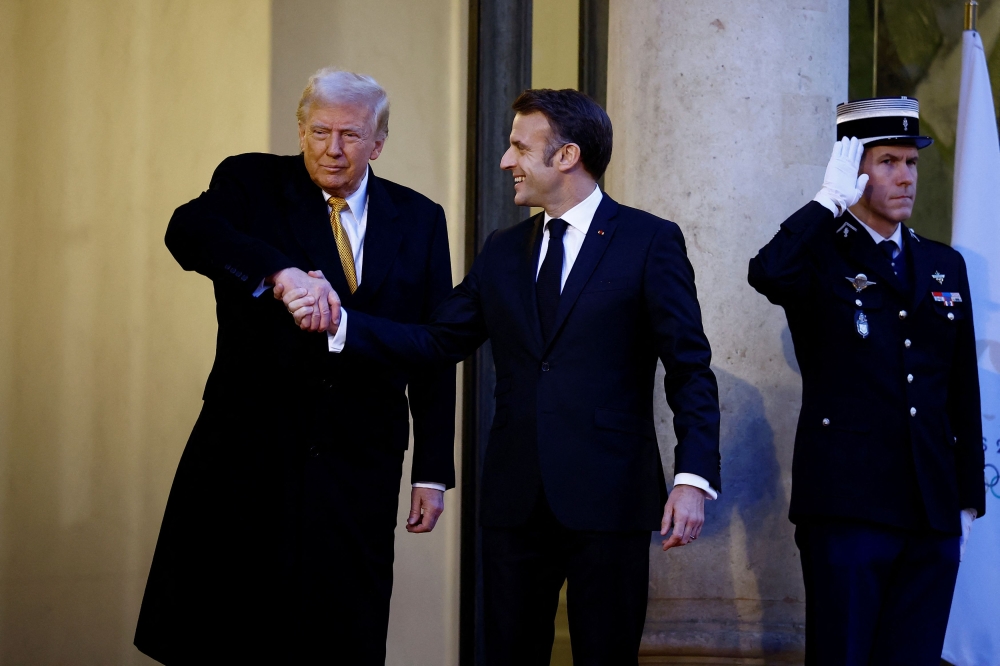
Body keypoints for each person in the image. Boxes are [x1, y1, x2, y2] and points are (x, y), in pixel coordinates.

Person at [282, 88, 722, 665]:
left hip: (610, 497)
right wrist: (344, 324)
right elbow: (439, 341)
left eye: (519, 147)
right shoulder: (503, 249)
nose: (505, 161)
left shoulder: (648, 240)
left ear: (566, 156)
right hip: (514, 501)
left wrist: (693, 476)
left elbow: (688, 366)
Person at [134, 68, 456, 665]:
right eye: (320, 132)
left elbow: (432, 348)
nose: (333, 149)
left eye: (351, 136)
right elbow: (187, 231)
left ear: (379, 142)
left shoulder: (419, 217)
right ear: (301, 130)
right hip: (251, 451)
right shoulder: (250, 182)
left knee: (341, 631)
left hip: (359, 462)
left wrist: (432, 471)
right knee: (234, 630)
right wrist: (278, 275)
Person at [748, 97, 985, 665]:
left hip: (931, 505)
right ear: (853, 169)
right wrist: (825, 203)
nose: (906, 177)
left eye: (912, 162)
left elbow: (960, 385)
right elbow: (766, 271)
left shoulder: (941, 263)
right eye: (888, 162)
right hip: (848, 504)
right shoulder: (818, 254)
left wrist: (967, 498)